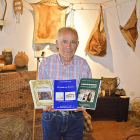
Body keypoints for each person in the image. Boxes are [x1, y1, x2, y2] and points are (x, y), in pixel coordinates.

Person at [38, 27, 92, 140]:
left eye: (72, 42)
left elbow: (87, 94)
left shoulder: (83, 65)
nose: (68, 46)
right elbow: (40, 91)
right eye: (64, 41)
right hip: (51, 116)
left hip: (75, 118)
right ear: (57, 43)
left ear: (77, 44)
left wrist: (84, 104)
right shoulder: (46, 63)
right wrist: (44, 104)